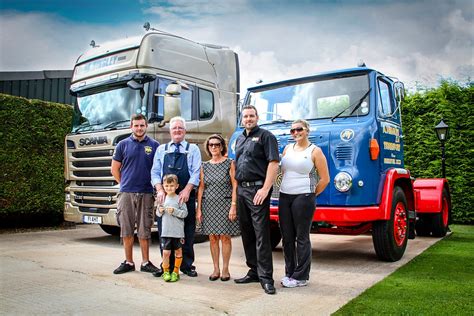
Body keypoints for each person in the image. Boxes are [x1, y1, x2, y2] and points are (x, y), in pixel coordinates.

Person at [233, 105, 280, 295]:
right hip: (242, 190)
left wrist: (265, 188)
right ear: (242, 119)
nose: (249, 119)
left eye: (252, 116)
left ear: (257, 117)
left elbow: (274, 163)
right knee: (247, 233)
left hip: (257, 190)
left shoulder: (266, 136)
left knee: (261, 234)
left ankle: (266, 278)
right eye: (245, 116)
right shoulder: (240, 138)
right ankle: (253, 270)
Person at [279, 119, 329, 288]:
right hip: (285, 197)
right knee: (287, 238)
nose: (295, 133)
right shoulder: (287, 149)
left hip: (304, 197)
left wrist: (311, 193)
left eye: (299, 129)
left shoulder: (315, 151)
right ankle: (290, 273)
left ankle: (301, 276)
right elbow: (282, 172)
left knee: (302, 237)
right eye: (292, 130)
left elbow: (325, 179)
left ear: (307, 130)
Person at [151, 116, 202, 277]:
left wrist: (187, 190)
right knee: (164, 231)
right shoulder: (162, 149)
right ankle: (166, 265)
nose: (177, 131)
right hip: (165, 199)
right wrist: (159, 189)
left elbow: (196, 172)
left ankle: (186, 265)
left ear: (185, 131)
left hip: (185, 198)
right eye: (175, 128)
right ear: (170, 131)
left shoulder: (192, 149)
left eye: (180, 128)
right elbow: (155, 172)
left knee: (187, 232)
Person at [111, 113, 161, 275]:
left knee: (144, 229)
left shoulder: (154, 145)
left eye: (142, 125)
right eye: (136, 125)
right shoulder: (122, 145)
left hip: (147, 193)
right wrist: (125, 184)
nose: (139, 128)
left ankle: (145, 262)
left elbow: (158, 170)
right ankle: (129, 262)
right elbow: (114, 169)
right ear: (131, 127)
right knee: (126, 228)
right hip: (126, 193)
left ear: (146, 126)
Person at [196, 134, 240, 282]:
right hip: (209, 205)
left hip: (225, 204)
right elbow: (201, 188)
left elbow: (235, 185)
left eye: (217, 144)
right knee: (213, 238)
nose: (214, 147)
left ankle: (226, 269)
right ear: (208, 148)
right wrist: (199, 209)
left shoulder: (229, 163)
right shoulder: (204, 166)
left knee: (225, 237)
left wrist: (233, 205)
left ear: (222, 146)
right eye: (211, 145)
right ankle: (216, 268)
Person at [157, 174, 188, 282]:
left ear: (177, 186)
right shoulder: (162, 199)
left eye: (171, 185)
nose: (169, 188)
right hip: (166, 231)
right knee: (166, 252)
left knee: (178, 252)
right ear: (163, 186)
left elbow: (185, 214)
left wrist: (174, 211)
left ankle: (175, 272)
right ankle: (166, 271)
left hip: (178, 232)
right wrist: (159, 211)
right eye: (166, 186)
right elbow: (158, 213)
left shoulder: (180, 199)